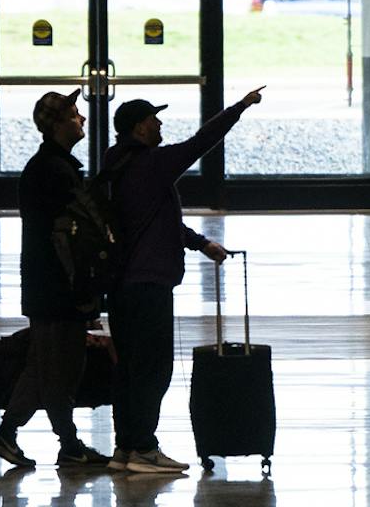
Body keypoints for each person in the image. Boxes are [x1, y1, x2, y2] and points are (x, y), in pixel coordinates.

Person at [100, 87, 266, 475]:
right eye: (154, 119)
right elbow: (201, 142)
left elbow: (156, 219)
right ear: (139, 128)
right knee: (153, 369)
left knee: (127, 369)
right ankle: (143, 447)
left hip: (121, 284)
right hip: (149, 283)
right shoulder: (151, 164)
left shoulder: (116, 162)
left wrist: (201, 243)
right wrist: (239, 108)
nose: (160, 124)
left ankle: (125, 448)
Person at [0, 89, 114, 471]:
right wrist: (84, 292)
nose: (82, 119)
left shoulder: (50, 167)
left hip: (47, 287)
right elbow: (70, 238)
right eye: (75, 115)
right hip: (58, 287)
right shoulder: (54, 173)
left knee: (45, 366)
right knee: (60, 369)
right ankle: (61, 443)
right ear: (56, 124)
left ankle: (15, 434)